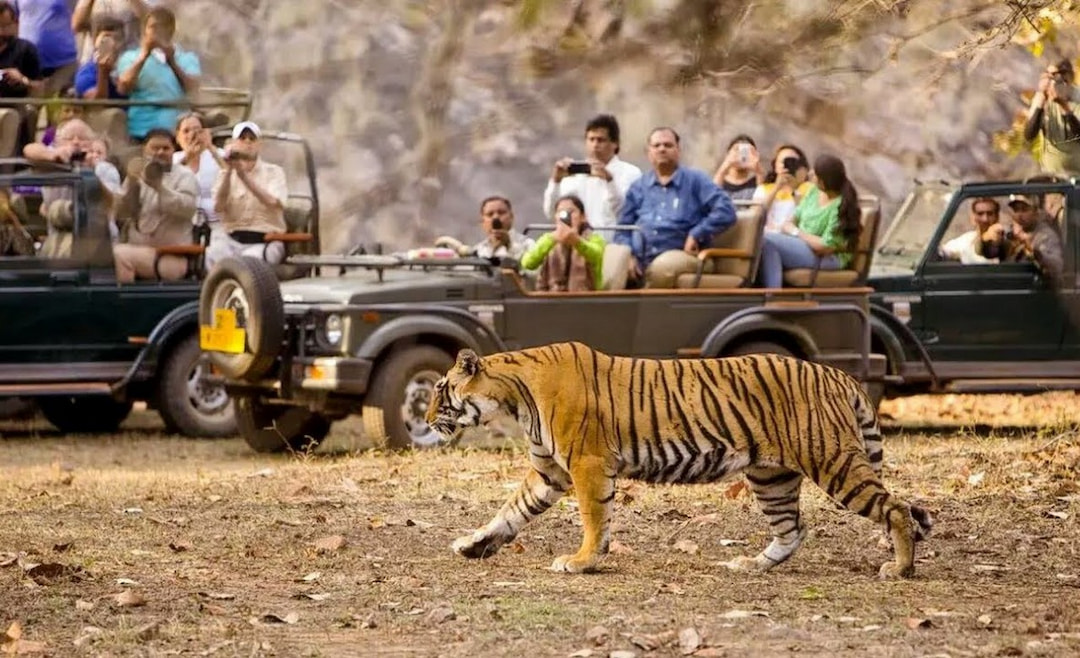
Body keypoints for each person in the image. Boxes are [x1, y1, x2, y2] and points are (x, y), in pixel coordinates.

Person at [614, 127, 735, 288]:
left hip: (687, 256)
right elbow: (623, 228)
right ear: (648, 152)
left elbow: (726, 210)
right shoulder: (638, 187)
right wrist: (628, 255)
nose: (662, 149)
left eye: (668, 145)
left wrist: (697, 233)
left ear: (678, 150)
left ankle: (648, 312)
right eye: (656, 146)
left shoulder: (696, 180)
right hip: (642, 258)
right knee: (611, 262)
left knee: (662, 268)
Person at [757, 154, 860, 288]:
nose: (811, 174)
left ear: (823, 181)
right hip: (804, 245)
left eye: (815, 173)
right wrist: (800, 234)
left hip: (828, 258)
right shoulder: (813, 192)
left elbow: (825, 246)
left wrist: (797, 232)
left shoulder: (839, 205)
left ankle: (772, 294)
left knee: (767, 240)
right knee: (765, 242)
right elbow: (790, 221)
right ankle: (772, 294)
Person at [112, 127, 198, 281]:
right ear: (145, 150)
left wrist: (159, 187)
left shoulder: (185, 176)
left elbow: (188, 209)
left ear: (174, 150)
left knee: (119, 254)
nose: (160, 153)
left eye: (166, 148)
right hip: (138, 251)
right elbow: (121, 212)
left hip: (171, 257)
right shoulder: (138, 174)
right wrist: (132, 181)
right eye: (155, 148)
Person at [206, 121, 288, 269]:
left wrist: (243, 176)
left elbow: (272, 202)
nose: (247, 142)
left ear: (259, 144)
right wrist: (229, 171)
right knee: (213, 256)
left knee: (248, 266)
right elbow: (219, 206)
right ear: (234, 143)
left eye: (252, 139)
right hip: (232, 240)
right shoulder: (224, 175)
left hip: (265, 241)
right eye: (242, 139)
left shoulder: (274, 172)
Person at [542, 114, 641, 229]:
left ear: (615, 143)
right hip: (577, 243)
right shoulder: (574, 174)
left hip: (614, 242)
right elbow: (550, 213)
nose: (595, 145)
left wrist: (609, 181)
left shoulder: (630, 173)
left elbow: (624, 213)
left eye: (601, 140)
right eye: (591, 139)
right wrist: (555, 181)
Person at [115, 6, 200, 141]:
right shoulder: (130, 57)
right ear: (145, 30)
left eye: (163, 27)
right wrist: (143, 56)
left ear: (171, 30)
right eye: (153, 27)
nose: (158, 32)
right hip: (141, 131)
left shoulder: (187, 58)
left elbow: (193, 89)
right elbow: (123, 87)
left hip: (178, 133)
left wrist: (172, 62)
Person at [520, 194, 605, 291]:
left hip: (586, 299)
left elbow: (596, 255)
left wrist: (577, 241)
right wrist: (552, 239)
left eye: (571, 211)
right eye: (560, 212)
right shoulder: (548, 239)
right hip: (551, 299)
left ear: (583, 217)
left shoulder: (594, 239)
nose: (566, 216)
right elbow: (528, 263)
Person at [1024, 58, 1080, 177]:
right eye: (1049, 77)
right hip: (1051, 176)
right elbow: (1029, 135)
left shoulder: (1077, 98)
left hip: (1077, 177)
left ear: (1069, 79)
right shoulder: (1042, 99)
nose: (1053, 82)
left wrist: (1064, 107)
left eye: (1056, 77)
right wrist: (1040, 104)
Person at [174, 111, 225, 240]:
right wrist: (187, 158)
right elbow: (165, 180)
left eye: (198, 130)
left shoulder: (220, 156)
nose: (192, 135)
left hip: (217, 224)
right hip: (180, 225)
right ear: (177, 137)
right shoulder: (174, 160)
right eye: (186, 131)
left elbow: (235, 175)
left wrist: (211, 148)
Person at [1007, 193, 1064, 287]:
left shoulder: (1046, 235)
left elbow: (1056, 265)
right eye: (1016, 210)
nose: (1019, 215)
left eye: (1024, 210)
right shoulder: (1010, 233)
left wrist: (1035, 252)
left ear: (1035, 212)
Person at [752, 144, 813, 233]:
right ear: (775, 166)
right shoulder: (763, 189)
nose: (787, 166)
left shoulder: (809, 189)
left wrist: (794, 188)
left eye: (792, 162)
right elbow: (756, 215)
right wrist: (777, 187)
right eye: (782, 162)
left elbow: (809, 219)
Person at [940, 197, 1008, 264]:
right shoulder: (966, 240)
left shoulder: (1008, 240)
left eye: (990, 214)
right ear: (974, 217)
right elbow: (942, 252)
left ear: (997, 216)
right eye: (980, 214)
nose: (985, 219)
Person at [711, 134, 763, 200]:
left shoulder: (756, 180)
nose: (742, 154)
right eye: (736, 150)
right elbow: (712, 198)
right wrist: (725, 166)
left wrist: (759, 171)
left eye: (746, 151)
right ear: (728, 153)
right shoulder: (718, 178)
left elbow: (763, 201)